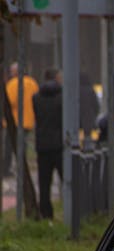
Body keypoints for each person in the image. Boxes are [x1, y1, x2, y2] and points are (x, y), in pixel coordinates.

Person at [32, 68, 63, 220]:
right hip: (59, 145)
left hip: (42, 145)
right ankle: (71, 211)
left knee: (44, 183)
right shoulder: (62, 98)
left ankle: (46, 213)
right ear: (56, 79)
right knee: (67, 180)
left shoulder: (36, 98)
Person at [4, 61, 39, 172]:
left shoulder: (13, 84)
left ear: (15, 72)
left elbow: (9, 102)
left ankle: (6, 169)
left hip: (14, 121)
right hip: (28, 121)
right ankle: (23, 169)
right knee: (22, 146)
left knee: (9, 147)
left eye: (11, 71)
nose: (10, 73)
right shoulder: (33, 83)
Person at [79, 72, 99, 146]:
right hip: (88, 118)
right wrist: (94, 115)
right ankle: (87, 149)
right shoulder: (91, 90)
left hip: (77, 118)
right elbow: (96, 105)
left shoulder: (76, 90)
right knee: (87, 136)